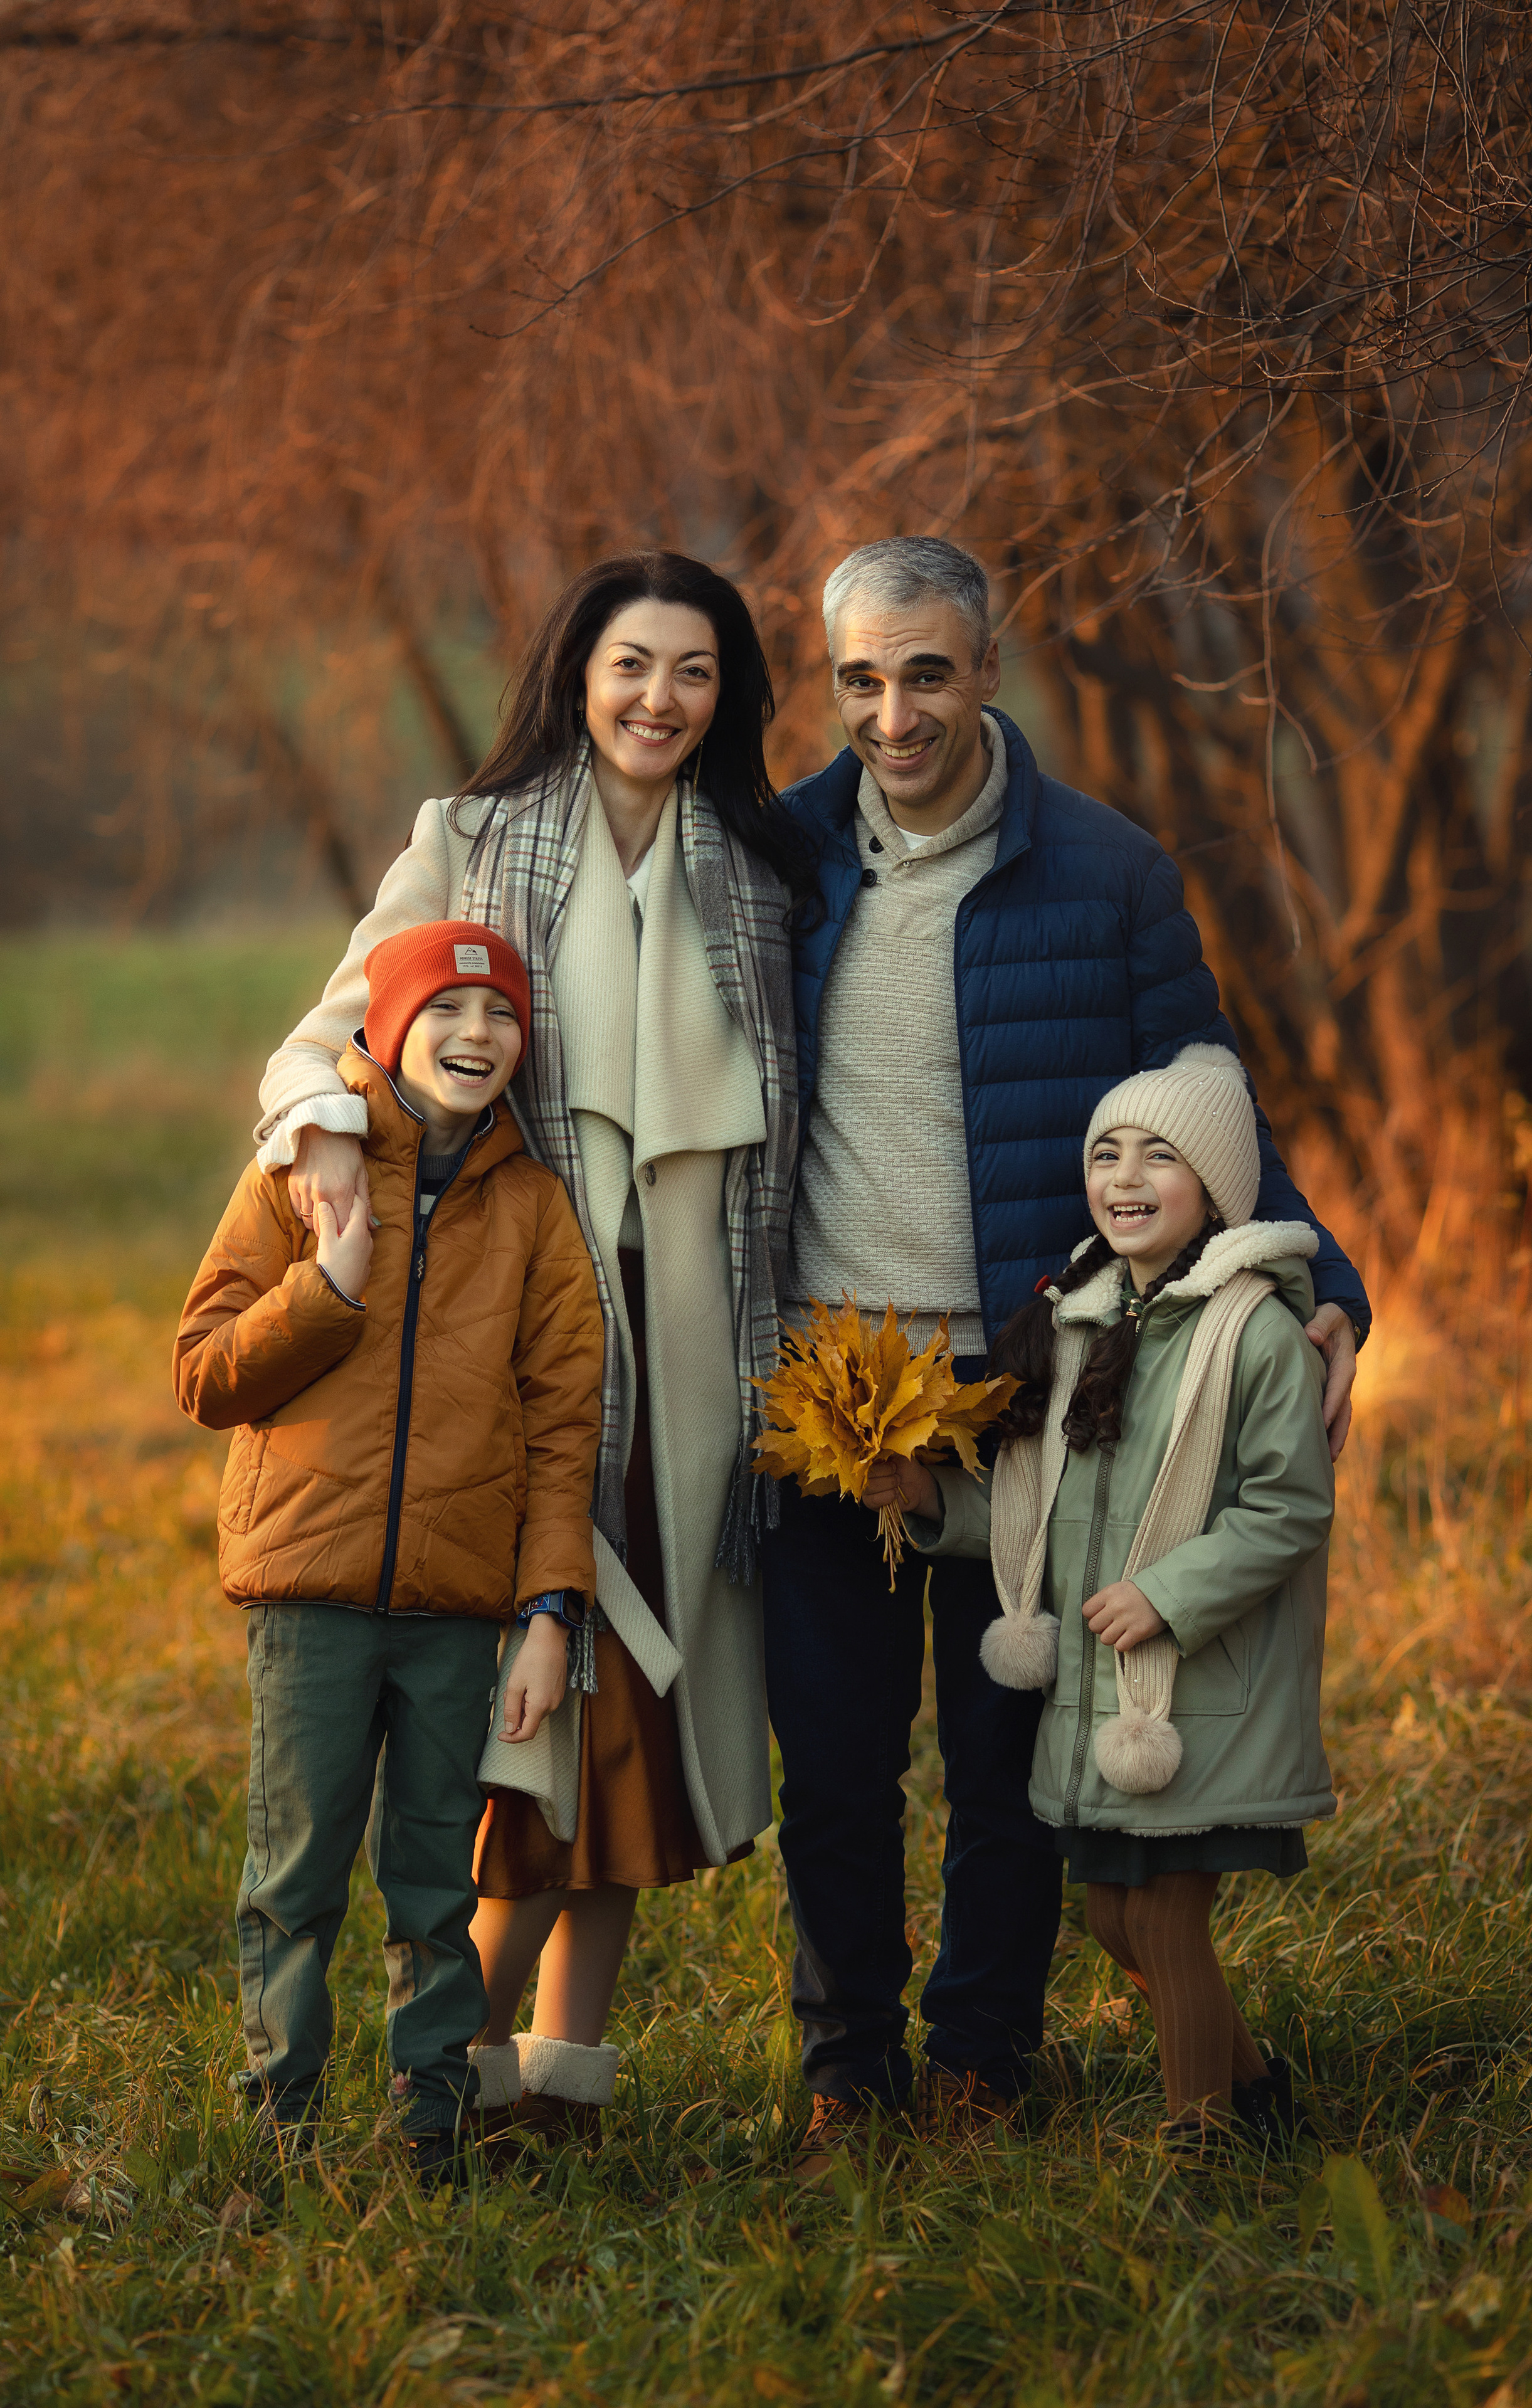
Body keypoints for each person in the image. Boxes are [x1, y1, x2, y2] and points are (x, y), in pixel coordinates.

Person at [766, 534, 1366, 2176]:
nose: (896, 715)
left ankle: (981, 2056)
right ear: (832, 686)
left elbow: (1206, 1094)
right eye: (862, 680)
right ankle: (846, 2070)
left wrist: (1329, 1282)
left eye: (929, 673)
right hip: (821, 1403)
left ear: (991, 669)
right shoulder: (775, 859)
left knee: (1009, 1746)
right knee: (830, 1762)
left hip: (1029, 1394)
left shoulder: (1102, 874)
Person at [250, 553, 806, 2140]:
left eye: (693, 671)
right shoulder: (475, 840)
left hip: (700, 1355)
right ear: (576, 672)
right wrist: (329, 1137)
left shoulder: (761, 870)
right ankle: (444, 2072)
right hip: (514, 1343)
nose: (657, 699)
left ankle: (549, 2084)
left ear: (726, 697)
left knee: (634, 1723)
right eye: (631, 663)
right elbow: (327, 1032)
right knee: (522, 1724)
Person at [174, 921, 605, 2182]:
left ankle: (427, 2132)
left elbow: (564, 1419)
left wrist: (546, 1610)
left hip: (462, 1607)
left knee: (430, 1886)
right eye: (448, 1011)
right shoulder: (304, 1174)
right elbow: (203, 1370)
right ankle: (281, 2132)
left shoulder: (533, 1208)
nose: (476, 1037)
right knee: (295, 1879)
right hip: (310, 1594)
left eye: (502, 1016)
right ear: (388, 1025)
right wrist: (329, 1290)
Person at [870, 1045, 1335, 2153]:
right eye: (1106, 1155)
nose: (1124, 1178)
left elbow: (1288, 1509)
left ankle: (1202, 2142)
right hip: (1106, 1686)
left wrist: (1168, 1596)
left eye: (1159, 1156)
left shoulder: (1253, 1332)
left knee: (1167, 1916)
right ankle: (1259, 2101)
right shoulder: (1082, 1326)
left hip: (1195, 1681)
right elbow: (1046, 1511)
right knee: (1114, 1911)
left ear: (1216, 1187)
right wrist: (937, 1500)